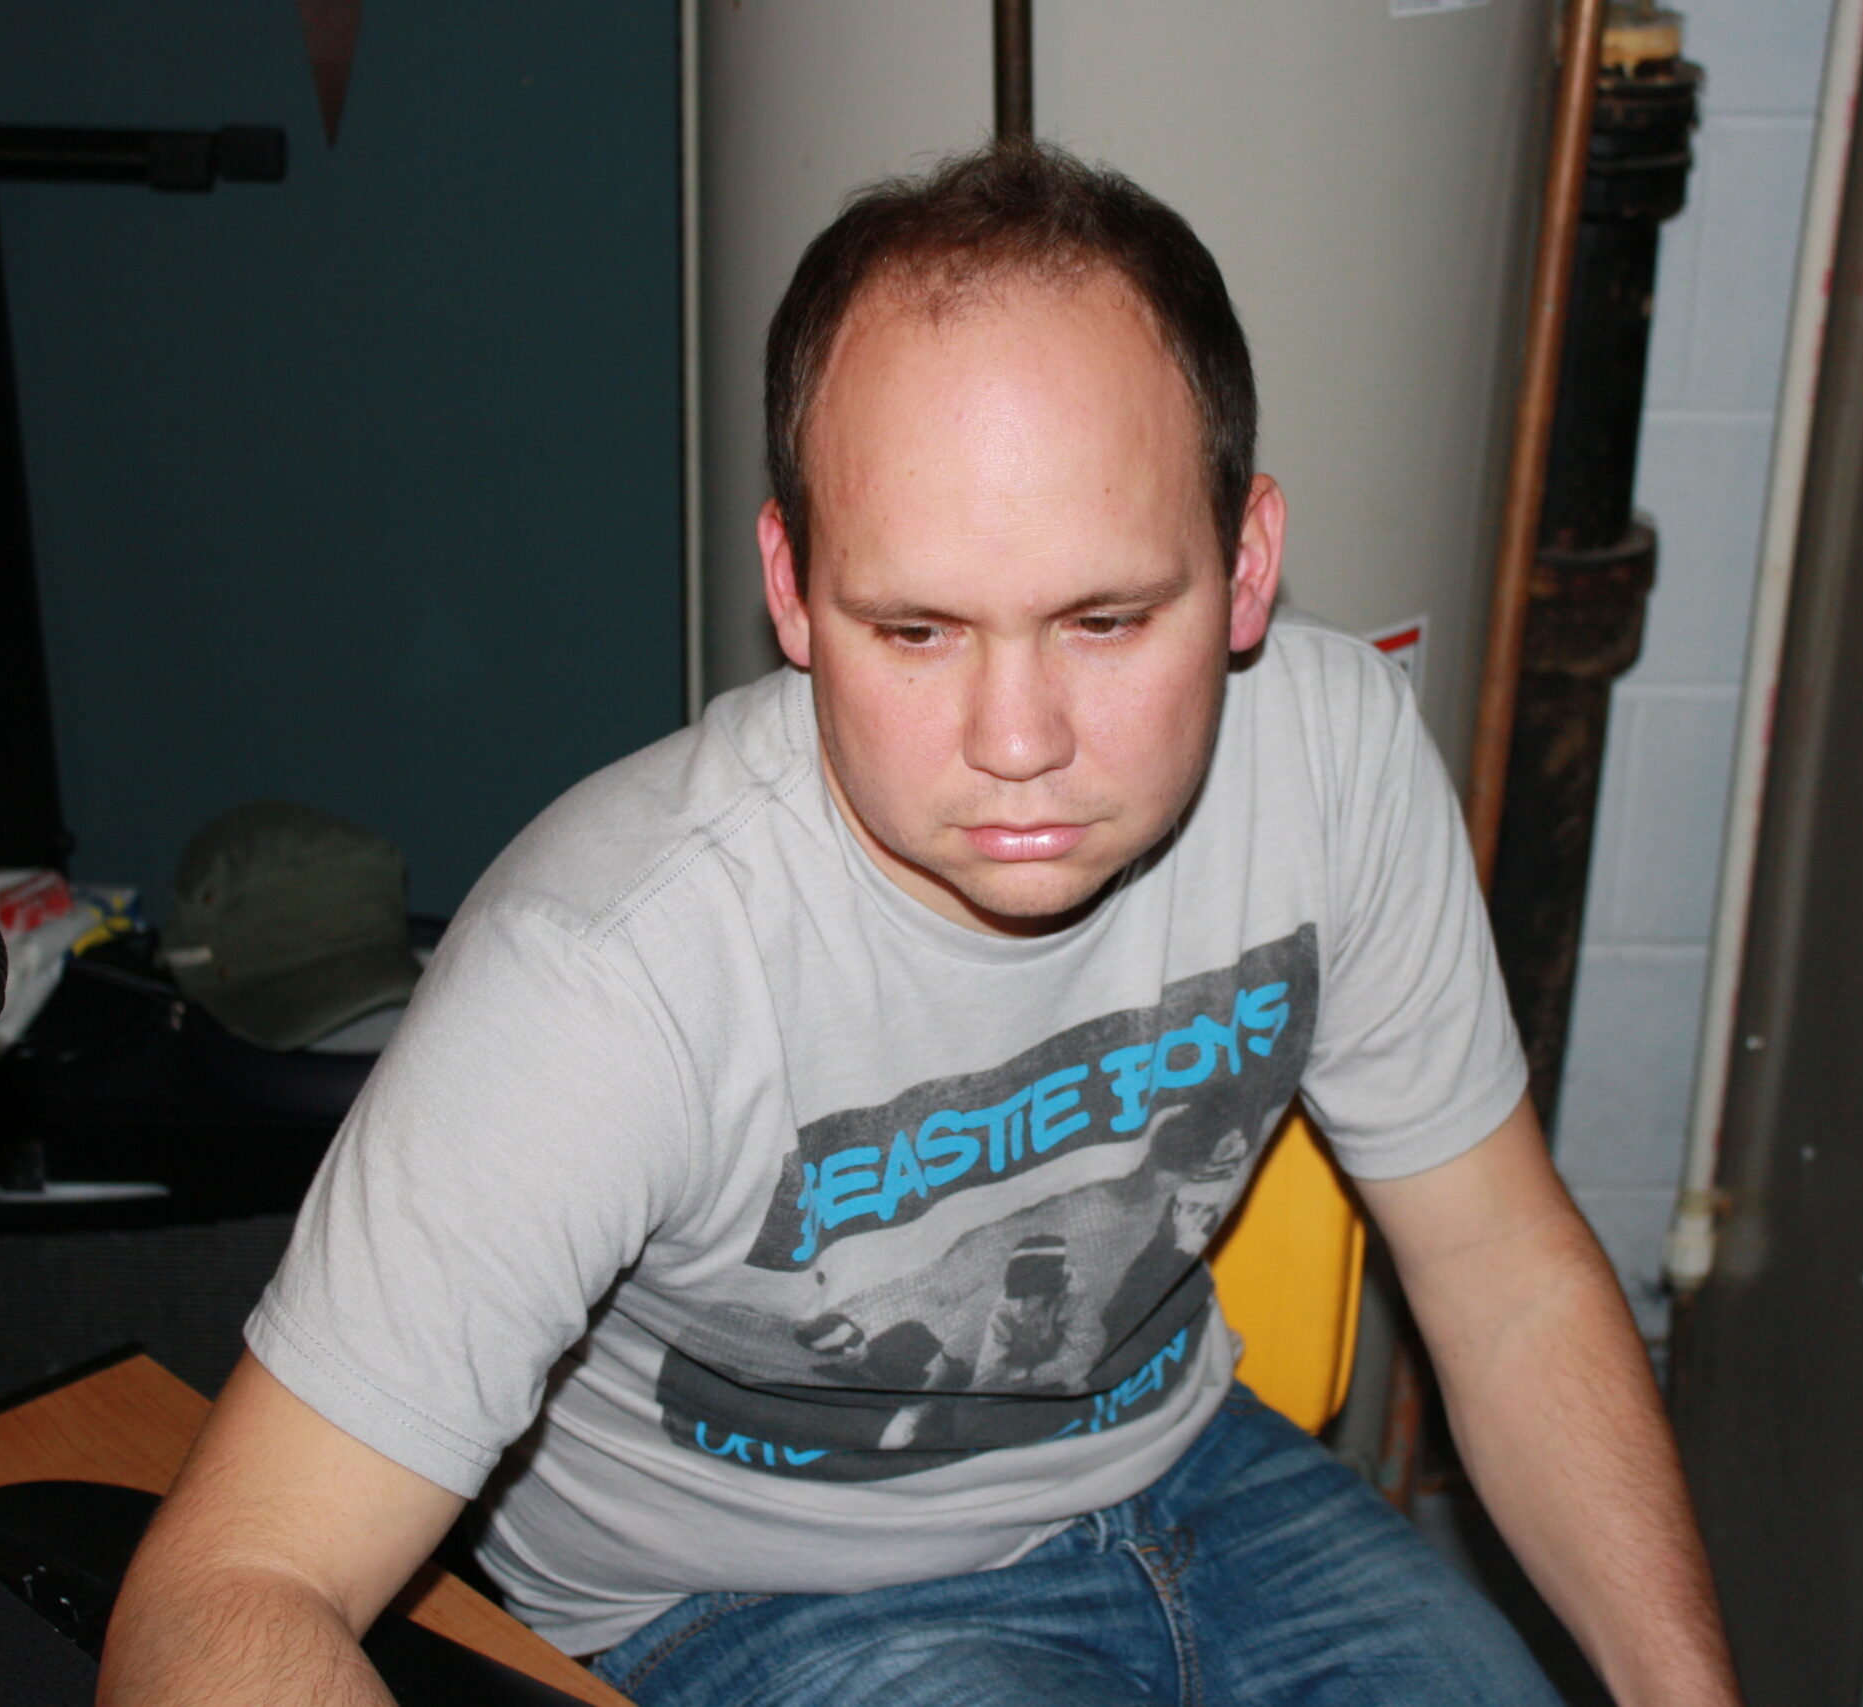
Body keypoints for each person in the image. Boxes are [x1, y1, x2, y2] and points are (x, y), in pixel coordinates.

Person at [100, 139, 1741, 1707]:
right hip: (754, 1592)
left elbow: (1505, 1275)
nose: (1015, 739)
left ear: (1248, 569)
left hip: (1196, 1469)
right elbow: (231, 1587)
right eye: (916, 630)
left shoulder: (1337, 757)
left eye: (1106, 620)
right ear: (792, 593)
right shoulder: (607, 973)